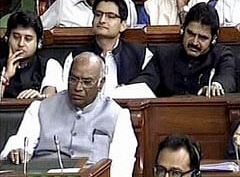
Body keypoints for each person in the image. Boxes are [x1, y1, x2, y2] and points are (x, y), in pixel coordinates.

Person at [0, 52, 137, 177]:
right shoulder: (40, 108)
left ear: (101, 84)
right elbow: (20, 142)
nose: (78, 87)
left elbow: (121, 167)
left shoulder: (118, 116)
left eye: (87, 82)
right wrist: (16, 151)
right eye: (73, 79)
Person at [60, 0, 157, 96]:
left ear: (123, 25)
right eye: (98, 15)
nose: (102, 20)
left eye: (110, 16)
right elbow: (66, 91)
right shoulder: (77, 56)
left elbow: (147, 89)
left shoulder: (141, 54)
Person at [143, 3, 238, 97]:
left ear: (213, 38)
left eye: (202, 38)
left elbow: (227, 78)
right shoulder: (163, 54)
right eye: (190, 34)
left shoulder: (222, 55)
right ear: (182, 30)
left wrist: (216, 86)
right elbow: (145, 82)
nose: (195, 42)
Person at [0, 11, 62, 99]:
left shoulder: (50, 65)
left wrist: (40, 96)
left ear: (39, 42)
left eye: (28, 39)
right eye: (16, 37)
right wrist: (6, 76)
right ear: (7, 38)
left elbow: (51, 96)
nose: (21, 44)